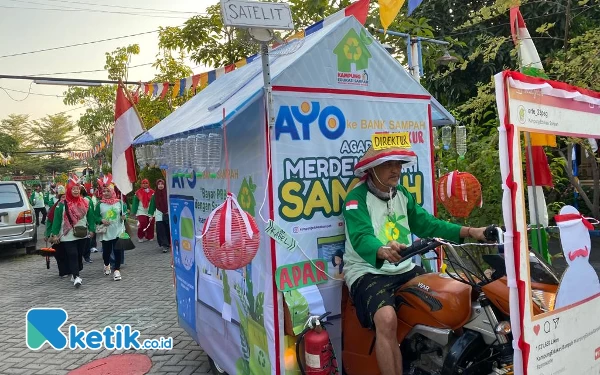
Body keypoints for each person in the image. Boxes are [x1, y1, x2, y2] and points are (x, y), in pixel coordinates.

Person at [343, 145, 489, 375]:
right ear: (372, 169)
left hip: (405, 266)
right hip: (368, 271)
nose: (396, 170)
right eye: (388, 164)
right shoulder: (355, 199)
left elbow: (429, 225)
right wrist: (381, 250)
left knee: (454, 298)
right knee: (386, 318)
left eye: (398, 164)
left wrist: (471, 231)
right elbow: (361, 237)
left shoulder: (402, 194)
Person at [49, 180, 96, 288]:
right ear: (69, 190)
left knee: (79, 254)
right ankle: (76, 277)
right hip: (67, 234)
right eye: (73, 189)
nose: (76, 190)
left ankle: (76, 271)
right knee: (72, 254)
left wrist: (92, 229)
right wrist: (54, 234)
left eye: (77, 189)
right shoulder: (61, 204)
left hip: (82, 232)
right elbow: (56, 220)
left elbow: (90, 217)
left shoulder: (86, 202)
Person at [96, 184, 128, 281]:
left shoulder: (120, 203)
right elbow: (95, 216)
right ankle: (106, 264)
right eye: (104, 191)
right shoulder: (100, 204)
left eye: (108, 191)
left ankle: (117, 270)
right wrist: (101, 220)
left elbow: (125, 214)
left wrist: (124, 217)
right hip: (106, 231)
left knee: (117, 250)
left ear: (112, 192)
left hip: (118, 230)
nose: (106, 193)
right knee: (107, 251)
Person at [45, 186, 68, 277]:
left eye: (66, 196)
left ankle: (69, 269)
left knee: (67, 253)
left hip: (66, 234)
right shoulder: (56, 207)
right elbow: (49, 221)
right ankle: (62, 271)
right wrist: (48, 235)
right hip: (56, 234)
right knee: (59, 254)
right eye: (62, 197)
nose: (65, 198)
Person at [79, 185, 96, 263]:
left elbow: (90, 214)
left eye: (78, 189)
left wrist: (91, 228)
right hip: (75, 226)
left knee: (86, 241)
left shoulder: (87, 199)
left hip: (86, 224)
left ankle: (87, 256)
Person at [154, 179, 170, 253]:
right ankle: (164, 245)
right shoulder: (154, 195)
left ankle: (169, 243)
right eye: (159, 184)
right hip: (159, 214)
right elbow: (152, 205)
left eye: (162, 184)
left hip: (168, 213)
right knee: (161, 230)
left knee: (168, 229)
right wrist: (150, 215)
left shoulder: (168, 193)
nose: (160, 185)